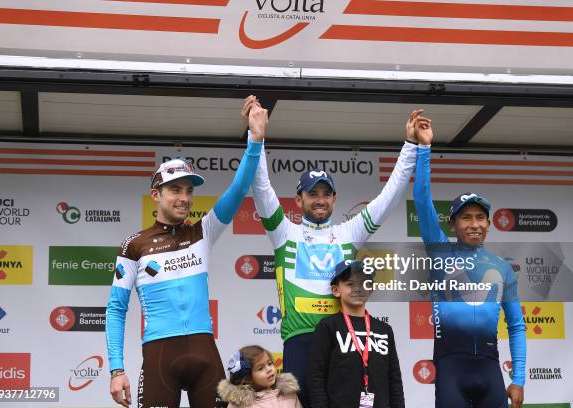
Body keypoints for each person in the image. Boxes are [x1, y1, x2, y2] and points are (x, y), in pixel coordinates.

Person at [242, 96, 419, 407]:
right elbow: (262, 189)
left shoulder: (348, 233)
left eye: (326, 194)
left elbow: (389, 198)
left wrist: (410, 146)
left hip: (343, 338)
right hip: (299, 341)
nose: (320, 200)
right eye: (313, 194)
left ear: (335, 200)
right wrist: (256, 137)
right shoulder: (285, 233)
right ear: (299, 200)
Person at [105, 98, 268, 408]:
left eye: (189, 190)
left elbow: (238, 189)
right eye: (175, 189)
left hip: (205, 353)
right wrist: (116, 370)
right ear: (156, 194)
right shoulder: (134, 245)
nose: (184, 198)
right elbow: (116, 309)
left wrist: (255, 139)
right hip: (160, 356)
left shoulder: (202, 232)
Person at [411, 112, 526, 408]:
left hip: (490, 368)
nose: (474, 224)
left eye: (480, 218)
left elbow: (516, 326)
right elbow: (422, 200)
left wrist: (519, 379)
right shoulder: (440, 253)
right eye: (466, 218)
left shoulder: (501, 267)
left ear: (489, 224)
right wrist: (423, 149)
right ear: (453, 225)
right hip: (451, 367)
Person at [308, 260, 405, 408]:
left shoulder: (384, 330)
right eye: (350, 284)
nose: (358, 289)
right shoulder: (327, 327)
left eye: (363, 283)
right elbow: (316, 377)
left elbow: (394, 379)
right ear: (336, 290)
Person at [217, 346, 302, 408]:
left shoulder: (289, 394)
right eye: (260, 368)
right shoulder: (240, 405)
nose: (269, 369)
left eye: (270, 363)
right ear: (248, 378)